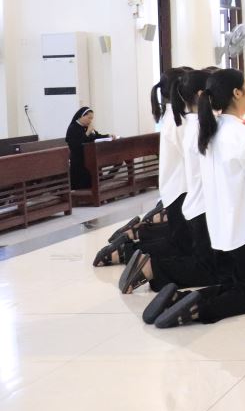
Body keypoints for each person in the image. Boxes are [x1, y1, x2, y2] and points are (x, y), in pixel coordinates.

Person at [135, 69, 245, 328]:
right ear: (237, 93)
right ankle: (197, 309)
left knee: (229, 283)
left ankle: (180, 298)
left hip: (221, 223)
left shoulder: (209, 132)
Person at [117, 69, 224, 317]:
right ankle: (143, 259)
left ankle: (135, 249)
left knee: (184, 247)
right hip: (184, 193)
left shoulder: (178, 118)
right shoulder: (185, 123)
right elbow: (199, 162)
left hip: (180, 191)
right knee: (197, 258)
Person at [95, 68, 191, 268]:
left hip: (176, 187)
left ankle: (136, 237)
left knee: (181, 241)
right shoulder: (179, 120)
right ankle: (129, 248)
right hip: (180, 188)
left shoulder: (175, 116)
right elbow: (192, 156)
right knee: (182, 245)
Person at [66, 106, 110, 190]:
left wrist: (108, 136)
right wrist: (88, 132)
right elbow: (77, 145)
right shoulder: (73, 128)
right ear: (82, 116)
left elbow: (97, 136)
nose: (90, 121)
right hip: (79, 161)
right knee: (84, 184)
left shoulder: (87, 127)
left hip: (90, 157)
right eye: (89, 118)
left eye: (92, 118)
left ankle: (97, 188)